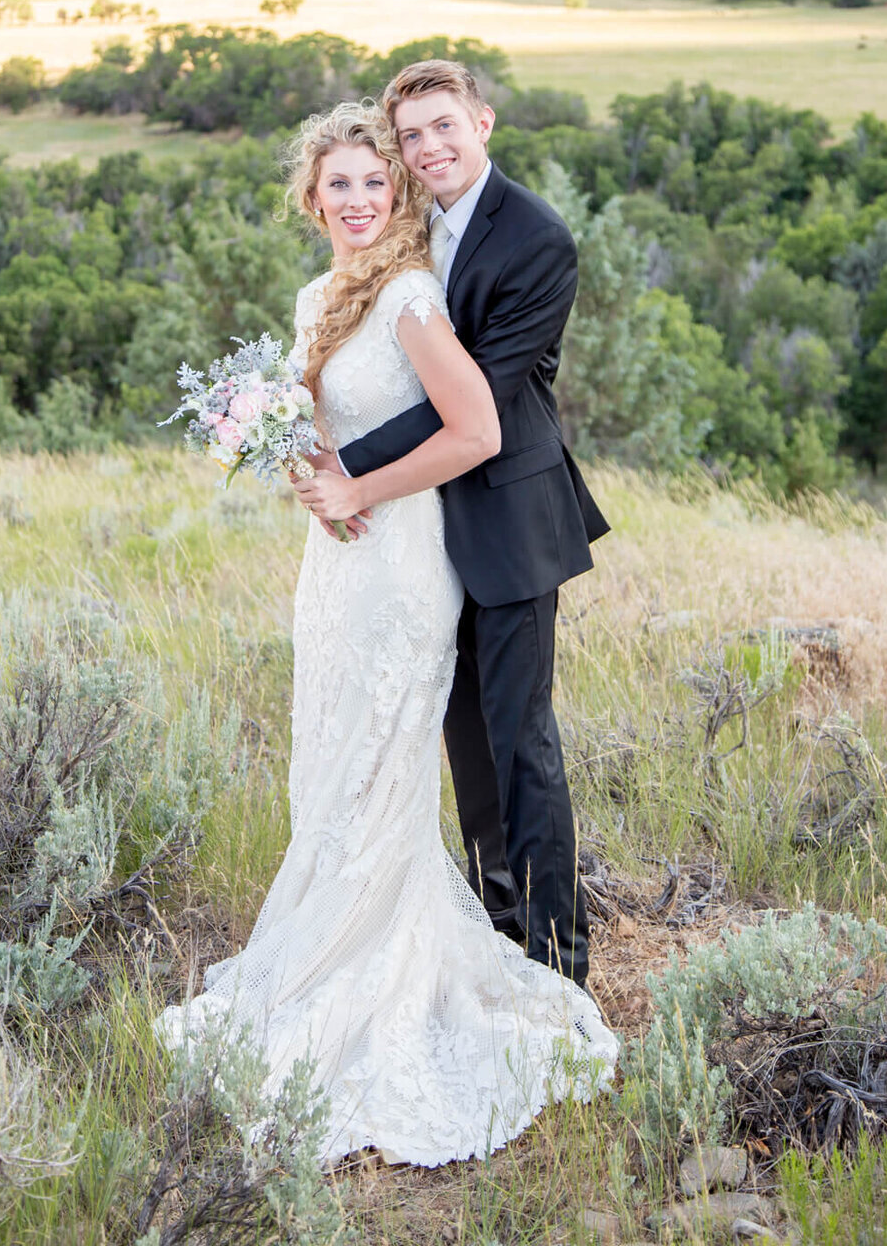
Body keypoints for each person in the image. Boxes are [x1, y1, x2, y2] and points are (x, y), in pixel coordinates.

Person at [155, 100, 616, 1167]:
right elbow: (311, 429)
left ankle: (521, 959)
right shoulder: (320, 294)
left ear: (398, 189)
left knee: (447, 750)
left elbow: (480, 424)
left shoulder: (416, 294)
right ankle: (330, 943)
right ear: (310, 200)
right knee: (339, 756)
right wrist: (291, 459)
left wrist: (355, 483)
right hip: (339, 565)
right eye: (342, 185)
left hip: (411, 555)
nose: (362, 198)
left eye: (377, 181)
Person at [296, 61, 608, 991]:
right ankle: (491, 933)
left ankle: (558, 963)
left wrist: (348, 466)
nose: (430, 148)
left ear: (484, 122)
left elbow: (481, 410)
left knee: (521, 746)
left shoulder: (536, 240)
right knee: (467, 750)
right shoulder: (405, 224)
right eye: (414, 136)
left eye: (446, 127)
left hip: (506, 518)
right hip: (418, 537)